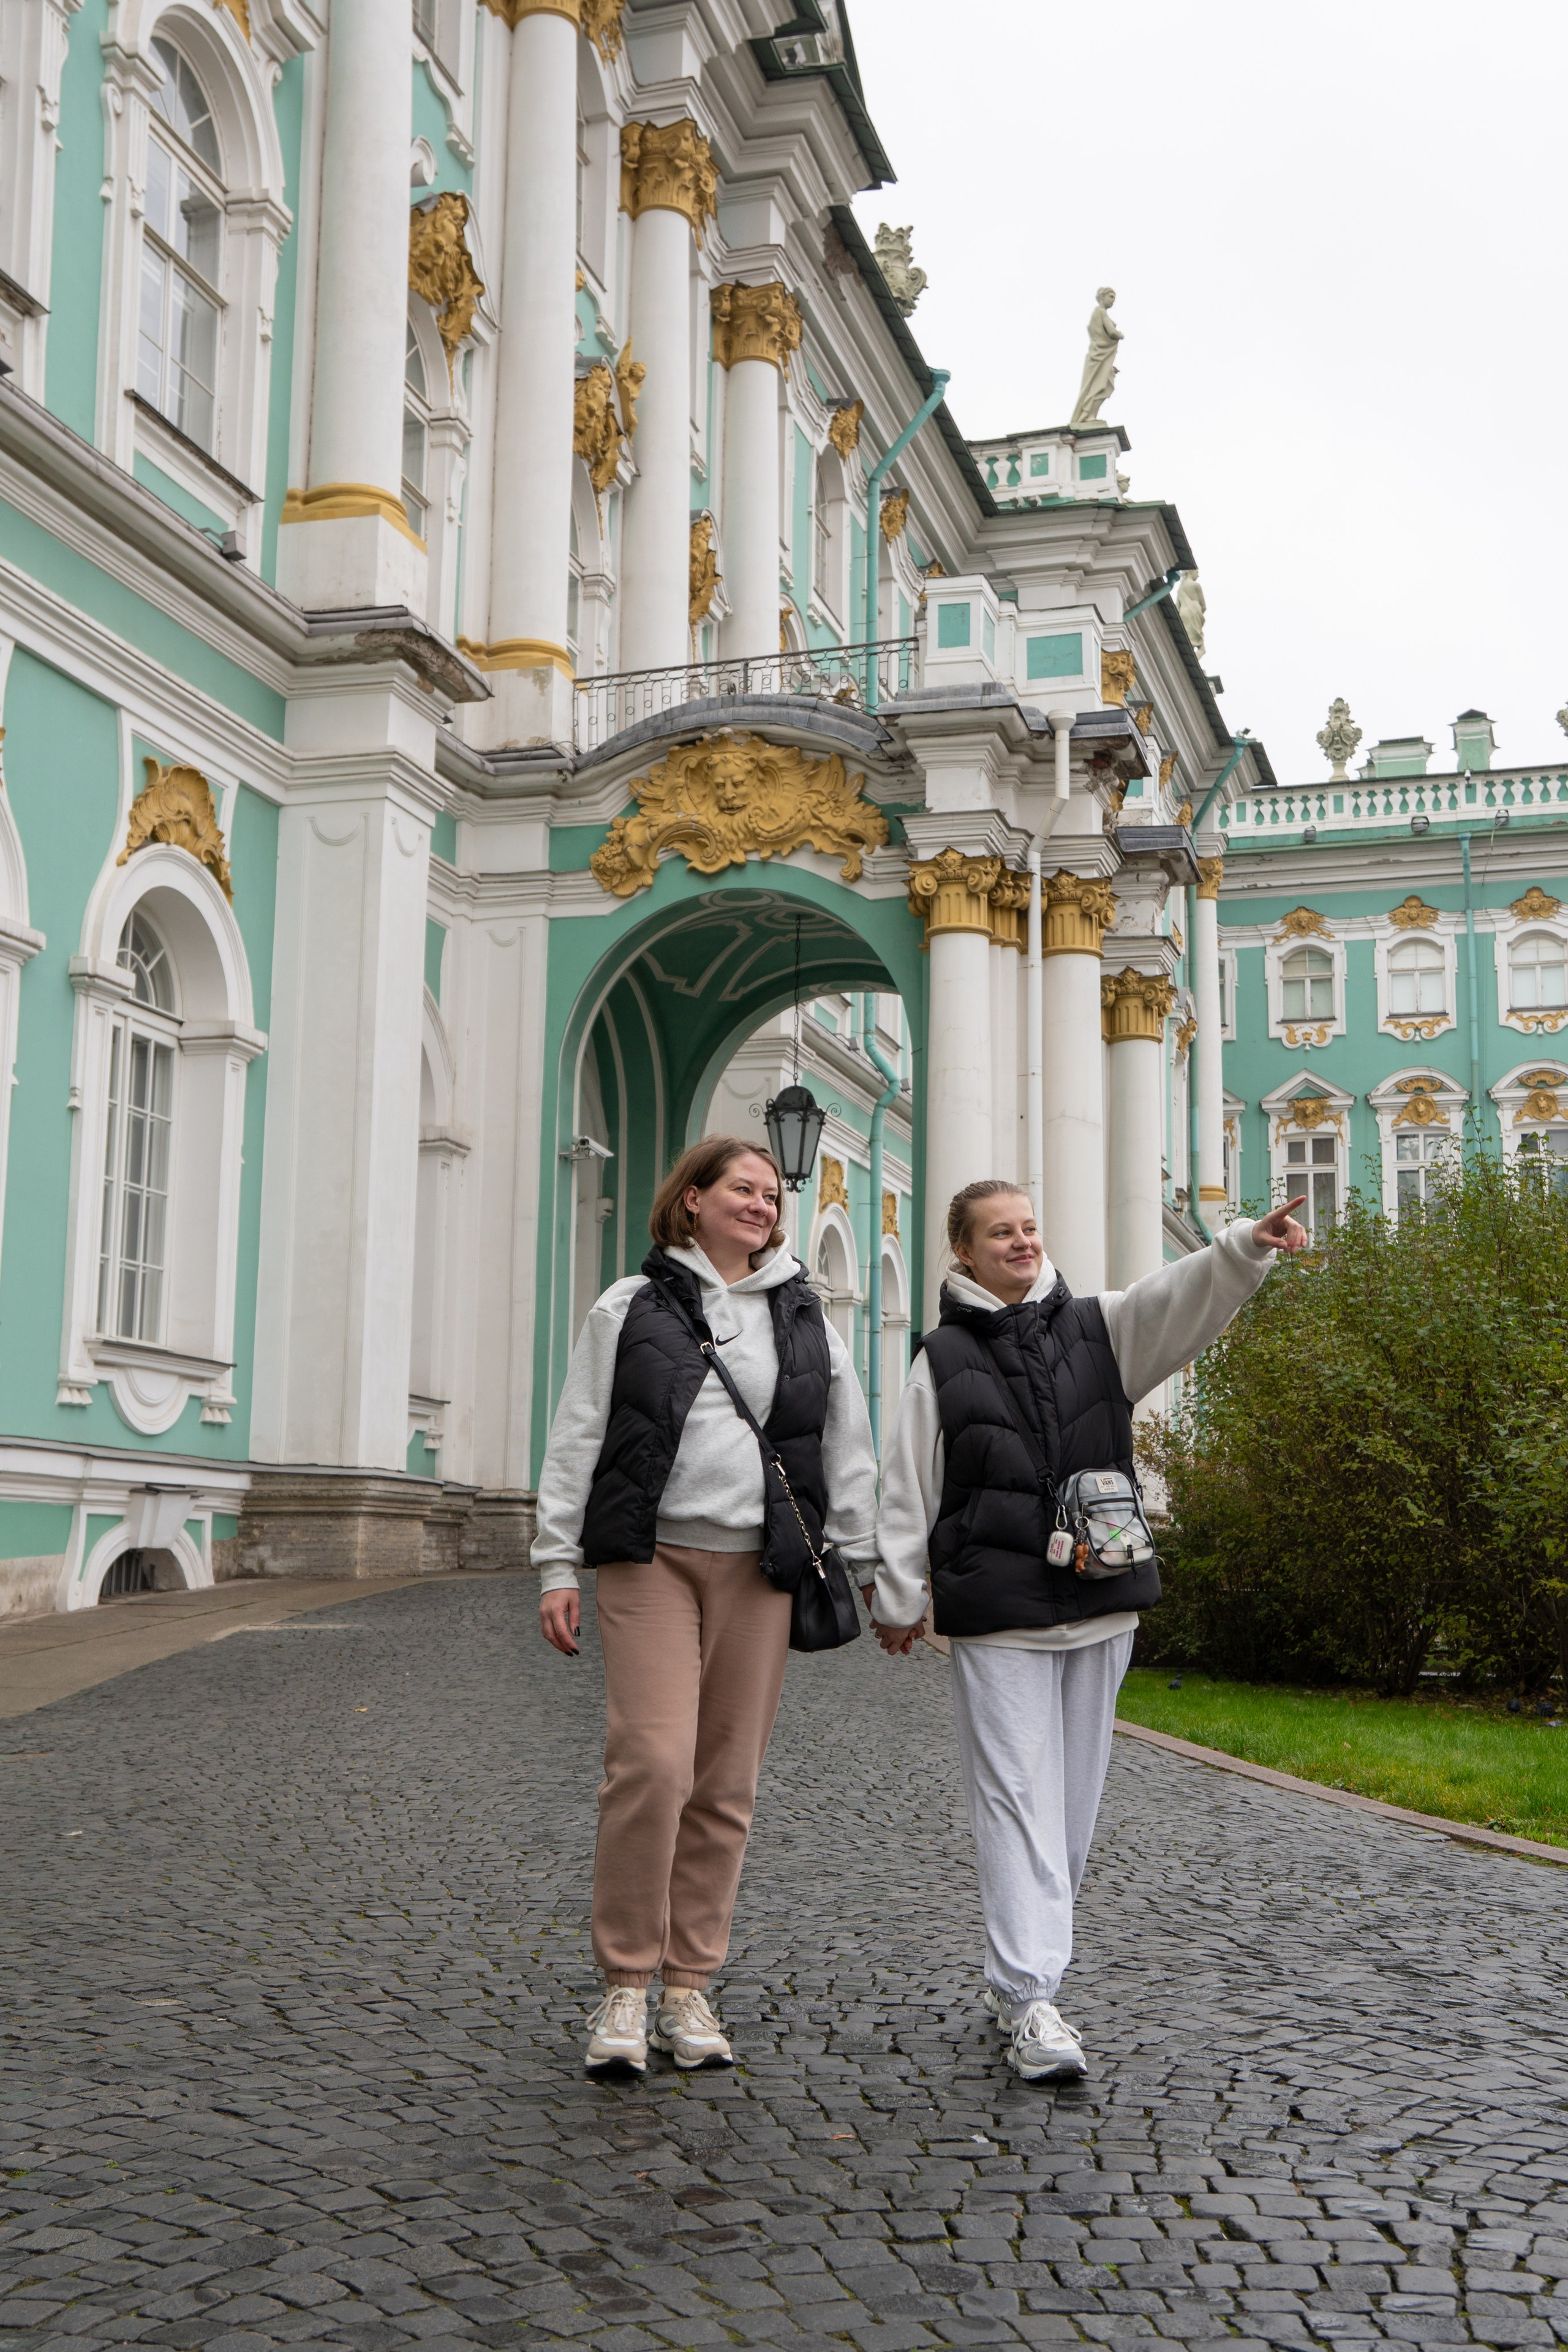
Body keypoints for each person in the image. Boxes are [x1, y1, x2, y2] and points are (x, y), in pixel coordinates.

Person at [870, 1181, 1306, 2083]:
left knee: (1070, 1806)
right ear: (964, 1252)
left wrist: (1244, 1246)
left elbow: (1178, 1301)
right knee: (1014, 1797)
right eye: (1001, 1233)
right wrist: (901, 1595)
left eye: (1031, 1226)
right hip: (1001, 1615)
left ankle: (1020, 1976)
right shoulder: (942, 1358)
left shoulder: (1102, 1327)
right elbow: (910, 1478)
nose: (1023, 1241)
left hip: (1101, 1599)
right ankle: (1032, 1995)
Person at [532, 1136, 879, 2078]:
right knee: (649, 1762)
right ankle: (625, 1985)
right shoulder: (630, 1306)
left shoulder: (806, 1315)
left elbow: (846, 1443)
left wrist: (876, 1564)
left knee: (726, 1782)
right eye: (742, 1189)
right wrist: (556, 1561)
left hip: (761, 1569)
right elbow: (579, 1432)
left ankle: (688, 1984)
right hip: (651, 1559)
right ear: (690, 1199)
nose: (763, 1205)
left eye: (773, 1194)